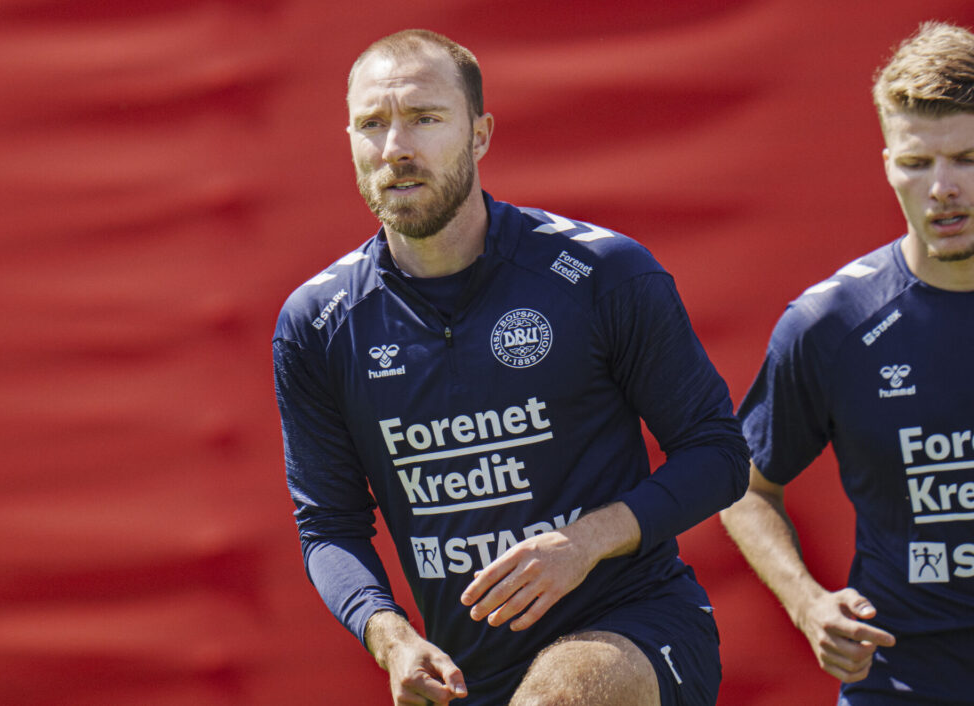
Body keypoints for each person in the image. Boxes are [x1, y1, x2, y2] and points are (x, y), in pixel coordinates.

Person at [273, 29, 749, 705]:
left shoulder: (602, 272)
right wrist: (391, 637)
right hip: (468, 673)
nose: (396, 147)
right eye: (373, 124)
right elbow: (328, 527)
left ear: (480, 135)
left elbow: (719, 454)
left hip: (637, 626)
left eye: (425, 118)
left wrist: (585, 542)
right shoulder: (317, 323)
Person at [720, 20, 974, 706]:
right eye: (917, 163)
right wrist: (807, 603)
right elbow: (741, 487)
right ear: (887, 163)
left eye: (967, 158)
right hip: (904, 683)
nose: (942, 187)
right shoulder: (833, 322)